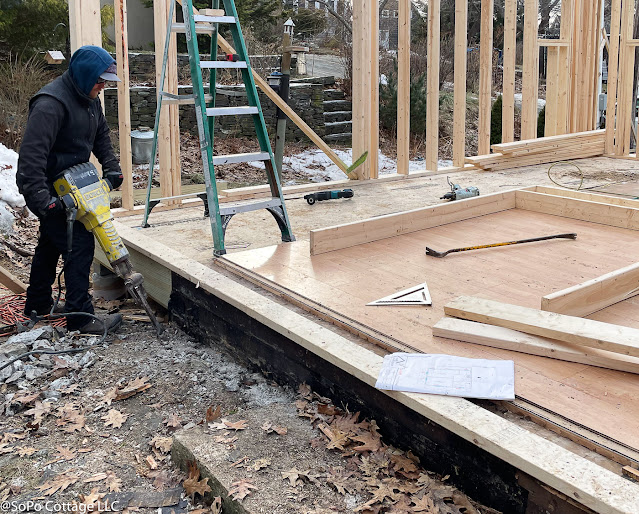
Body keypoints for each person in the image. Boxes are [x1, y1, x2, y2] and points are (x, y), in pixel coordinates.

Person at [17, 45, 124, 334]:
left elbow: (101, 135)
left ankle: (38, 304)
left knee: (50, 245)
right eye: (99, 81)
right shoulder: (50, 104)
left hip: (74, 184)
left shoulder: (89, 99)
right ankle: (81, 317)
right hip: (48, 189)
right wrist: (44, 201)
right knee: (79, 245)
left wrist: (112, 168)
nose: (102, 86)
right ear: (85, 75)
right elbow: (31, 159)